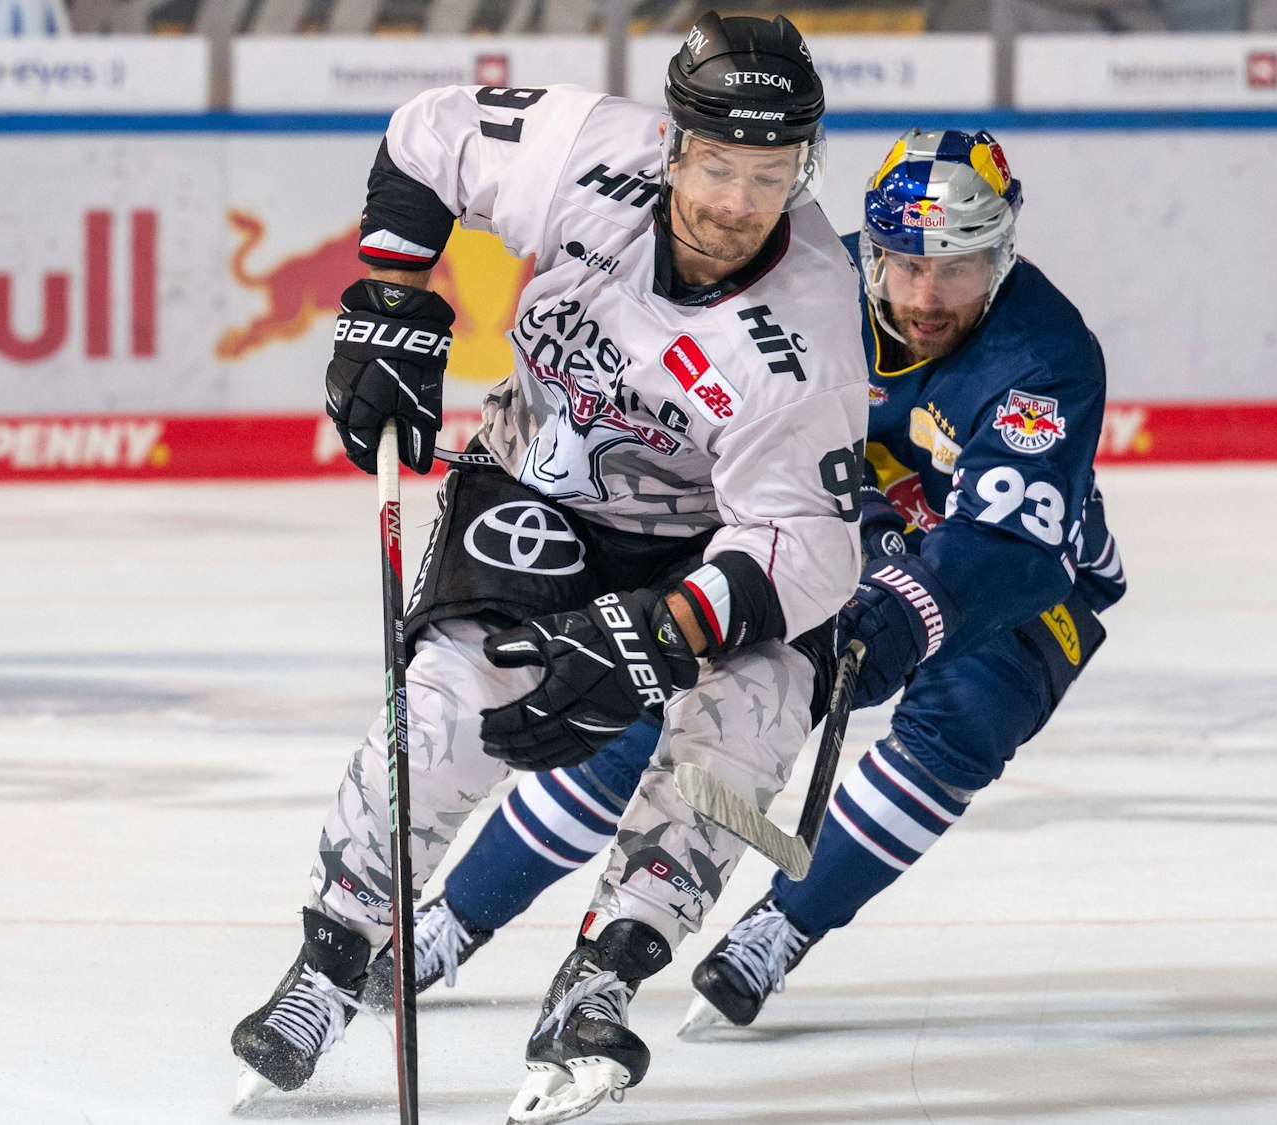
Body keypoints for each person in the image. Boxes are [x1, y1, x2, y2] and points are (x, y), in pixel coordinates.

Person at [229, 13, 868, 1123]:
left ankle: (603, 977)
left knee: (750, 727)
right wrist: (391, 298)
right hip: (534, 488)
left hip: (699, 551)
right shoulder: (589, 148)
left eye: (770, 177)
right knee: (446, 711)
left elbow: (806, 547)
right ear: (674, 144)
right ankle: (329, 967)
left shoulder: (804, 334)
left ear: (801, 169)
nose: (738, 203)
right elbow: (427, 136)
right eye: (718, 166)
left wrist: (660, 635)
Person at [359, 129, 1126, 1039]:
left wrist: (895, 616)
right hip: (821, 540)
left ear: (1000, 255)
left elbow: (1008, 547)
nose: (925, 298)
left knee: (965, 722)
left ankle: (784, 925)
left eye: (956, 269)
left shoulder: (1044, 352)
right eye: (906, 264)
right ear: (871, 249)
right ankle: (459, 915)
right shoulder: (808, 285)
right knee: (647, 699)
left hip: (1011, 577)